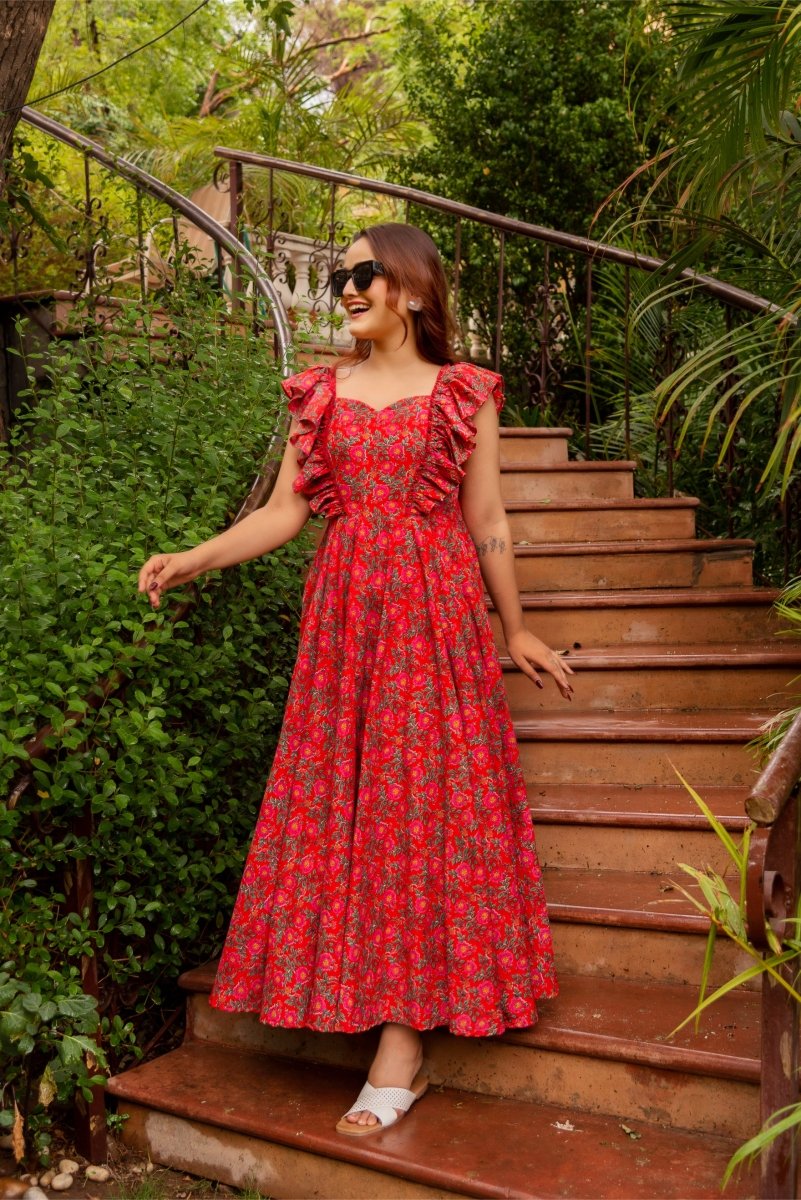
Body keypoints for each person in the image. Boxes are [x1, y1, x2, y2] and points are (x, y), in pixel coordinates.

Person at [137, 222, 574, 1136]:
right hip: (344, 624)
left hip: (434, 616)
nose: (346, 287)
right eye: (341, 274)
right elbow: (283, 513)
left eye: (364, 273)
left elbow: (486, 516)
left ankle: (401, 1046)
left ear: (411, 289)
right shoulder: (320, 393)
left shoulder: (463, 392)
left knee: (418, 810)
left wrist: (517, 627)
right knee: (345, 806)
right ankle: (351, 990)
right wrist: (193, 557)